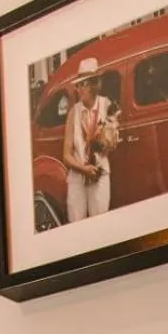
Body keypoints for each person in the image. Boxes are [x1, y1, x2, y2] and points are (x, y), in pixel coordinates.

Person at [62, 57, 113, 223]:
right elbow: (66, 155)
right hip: (77, 178)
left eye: (82, 84)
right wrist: (83, 168)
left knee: (99, 224)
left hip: (100, 174)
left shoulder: (108, 106)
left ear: (93, 84)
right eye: (78, 85)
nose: (78, 89)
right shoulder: (73, 113)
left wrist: (106, 140)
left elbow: (112, 143)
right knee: (76, 225)